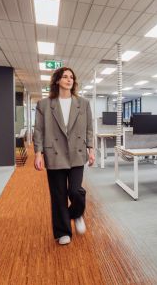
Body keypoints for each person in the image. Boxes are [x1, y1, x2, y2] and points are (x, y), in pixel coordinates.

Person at [33, 67, 95, 245]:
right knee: (58, 195)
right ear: (57, 80)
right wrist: (38, 153)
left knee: (75, 190)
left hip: (77, 152)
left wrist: (91, 149)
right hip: (54, 152)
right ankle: (62, 232)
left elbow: (89, 129)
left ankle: (76, 213)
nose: (69, 80)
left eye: (71, 77)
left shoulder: (83, 103)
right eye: (65, 77)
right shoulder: (44, 104)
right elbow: (39, 130)